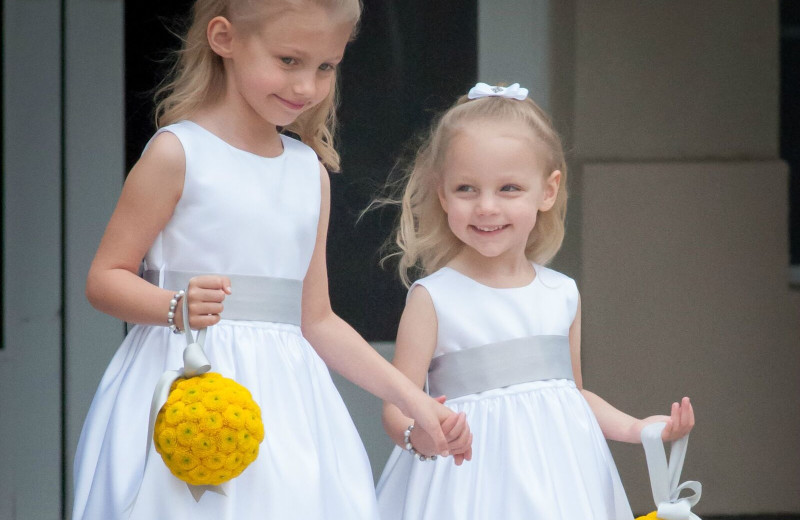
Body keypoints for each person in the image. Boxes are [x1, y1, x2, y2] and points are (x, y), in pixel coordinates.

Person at [71, 1, 463, 518]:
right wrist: (175, 306)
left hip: (287, 404)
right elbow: (105, 279)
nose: (307, 86)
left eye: (326, 67)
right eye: (288, 61)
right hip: (188, 387)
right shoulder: (176, 153)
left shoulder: (309, 172)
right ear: (223, 38)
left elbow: (318, 320)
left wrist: (414, 402)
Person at [374, 82, 696, 519]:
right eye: (467, 188)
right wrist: (421, 435)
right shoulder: (434, 297)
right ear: (442, 192)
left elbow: (573, 394)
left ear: (547, 191)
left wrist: (639, 429)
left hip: (560, 482)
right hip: (467, 484)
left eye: (509, 188)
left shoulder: (561, 293)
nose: (486, 207)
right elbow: (397, 403)